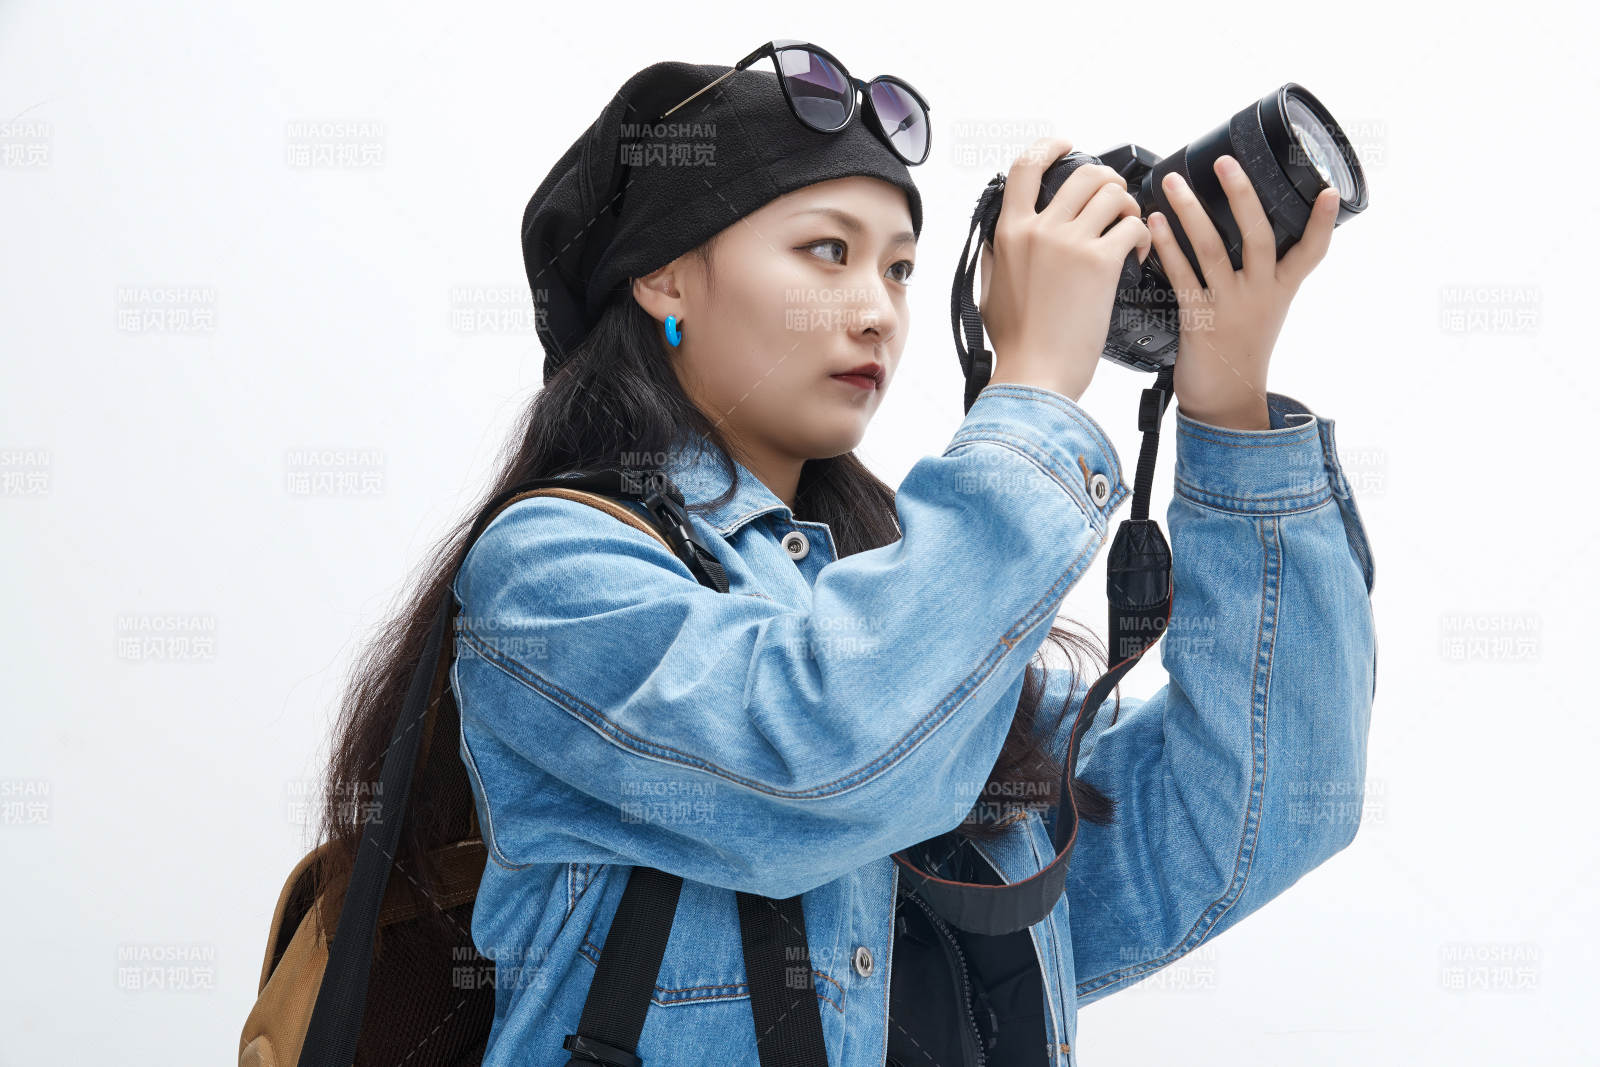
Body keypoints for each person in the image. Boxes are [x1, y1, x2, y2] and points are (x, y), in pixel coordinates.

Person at [322, 52, 1376, 1066]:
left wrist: (1228, 405)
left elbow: (1263, 808)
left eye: (902, 267)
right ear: (665, 278)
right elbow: (818, 762)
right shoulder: (551, 573)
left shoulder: (925, 627)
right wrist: (1039, 392)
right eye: (827, 250)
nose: (877, 306)